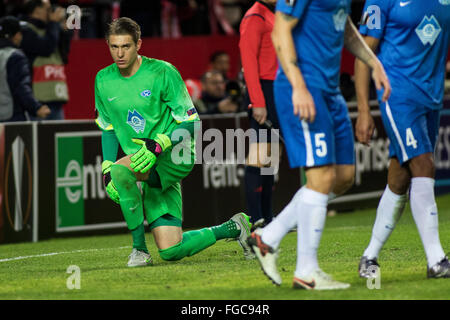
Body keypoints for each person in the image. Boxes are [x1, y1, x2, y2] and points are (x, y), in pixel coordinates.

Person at [246, 0, 391, 290]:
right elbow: (280, 32)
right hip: (303, 87)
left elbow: (346, 27)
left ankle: (268, 237)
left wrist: (373, 61)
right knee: (321, 178)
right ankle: (306, 271)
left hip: (331, 91)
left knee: (344, 177)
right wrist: (298, 85)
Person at [95, 17, 254, 267]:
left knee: (121, 170)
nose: (119, 53)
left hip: (175, 152)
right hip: (145, 160)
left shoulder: (162, 72)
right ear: (107, 44)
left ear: (139, 44)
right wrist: (105, 166)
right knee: (171, 250)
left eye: (126, 46)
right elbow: (108, 126)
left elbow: (193, 122)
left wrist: (159, 144)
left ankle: (139, 251)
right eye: (114, 47)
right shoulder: (103, 80)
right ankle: (234, 227)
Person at [355, 0, 450, 279]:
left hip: (431, 98)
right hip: (397, 95)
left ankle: (369, 256)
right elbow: (363, 54)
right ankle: (437, 260)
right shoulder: (381, 1)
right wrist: (363, 110)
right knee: (424, 164)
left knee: (399, 178)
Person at [239, 0, 278, 229]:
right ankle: (255, 218)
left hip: (274, 89)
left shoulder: (272, 13)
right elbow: (248, 60)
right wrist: (257, 101)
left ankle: (267, 217)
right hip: (262, 90)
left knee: (270, 160)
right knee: (259, 156)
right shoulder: (255, 16)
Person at [20, 0, 73, 120]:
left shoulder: (52, 29)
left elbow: (63, 56)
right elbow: (46, 48)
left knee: (57, 137)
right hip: (36, 101)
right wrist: (54, 23)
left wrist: (65, 32)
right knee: (38, 137)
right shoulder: (25, 30)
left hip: (55, 95)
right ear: (37, 10)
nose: (51, 12)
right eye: (48, 9)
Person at [0, 16, 50, 122]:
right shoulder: (15, 56)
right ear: (17, 35)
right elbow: (21, 87)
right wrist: (36, 107)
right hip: (11, 118)